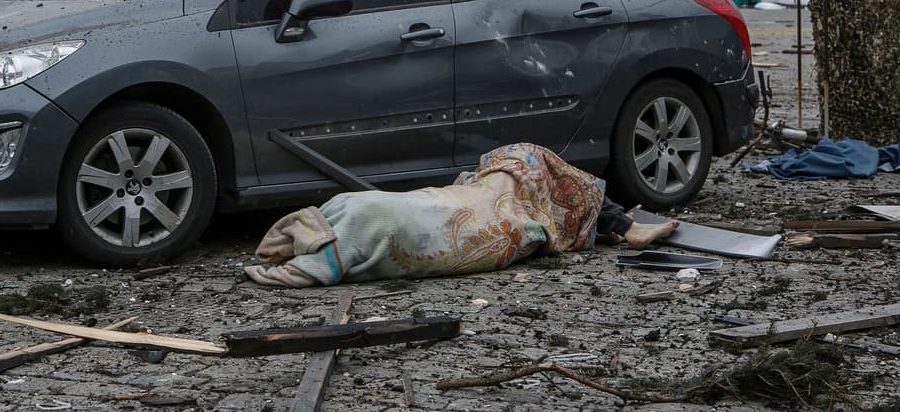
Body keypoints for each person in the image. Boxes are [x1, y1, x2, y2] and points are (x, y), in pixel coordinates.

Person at [245, 143, 681, 287]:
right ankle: (624, 225)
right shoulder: (347, 222)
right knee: (529, 166)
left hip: (462, 202)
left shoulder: (339, 216)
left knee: (524, 171)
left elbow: (280, 269)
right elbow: (293, 270)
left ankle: (620, 224)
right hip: (478, 209)